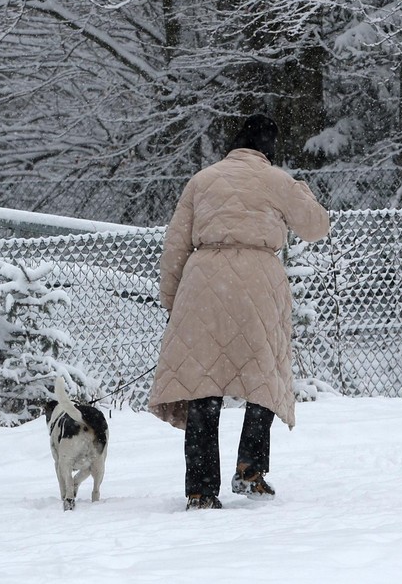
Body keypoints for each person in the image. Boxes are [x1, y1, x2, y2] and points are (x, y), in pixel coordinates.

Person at [147, 114, 330, 511]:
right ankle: (250, 468)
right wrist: (297, 190)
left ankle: (200, 489)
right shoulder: (277, 181)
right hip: (259, 284)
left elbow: (175, 245)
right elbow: (316, 227)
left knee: (201, 385)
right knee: (263, 376)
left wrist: (172, 300)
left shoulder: (203, 180)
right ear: (268, 148)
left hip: (203, 284)